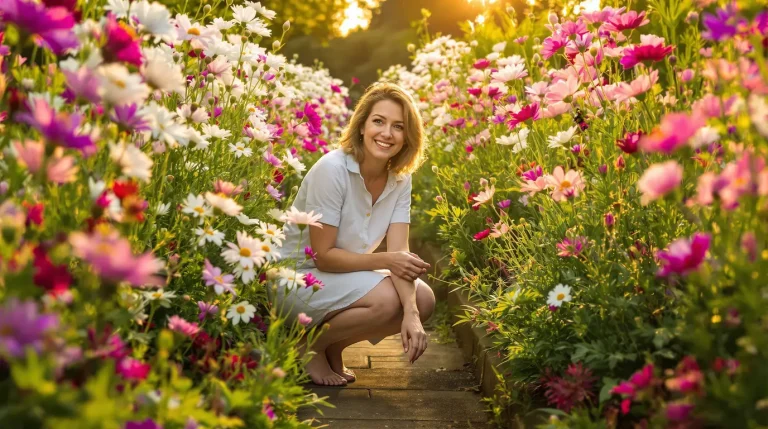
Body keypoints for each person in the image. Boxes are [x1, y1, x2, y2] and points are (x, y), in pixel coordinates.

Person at [275, 82, 436, 386]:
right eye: (379, 121)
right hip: (297, 278)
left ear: (407, 136)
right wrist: (389, 260)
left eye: (398, 126)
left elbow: (400, 250)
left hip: (342, 275)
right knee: (389, 300)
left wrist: (412, 314)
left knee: (423, 299)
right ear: (361, 126)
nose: (387, 133)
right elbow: (323, 258)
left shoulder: (400, 179)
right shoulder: (332, 169)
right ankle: (306, 345)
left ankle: (333, 345)